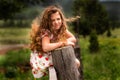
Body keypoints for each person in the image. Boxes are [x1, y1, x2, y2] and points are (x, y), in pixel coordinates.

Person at [29, 5, 80, 79]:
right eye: (53, 20)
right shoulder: (46, 32)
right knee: (74, 63)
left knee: (75, 63)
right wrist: (63, 43)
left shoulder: (61, 29)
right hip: (44, 58)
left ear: (62, 19)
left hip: (55, 54)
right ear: (48, 22)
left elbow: (73, 39)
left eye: (58, 19)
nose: (56, 22)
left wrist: (64, 42)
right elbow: (45, 48)